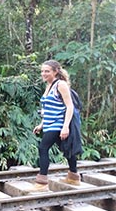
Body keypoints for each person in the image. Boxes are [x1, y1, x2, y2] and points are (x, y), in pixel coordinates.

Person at [31, 60, 81, 191]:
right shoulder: (48, 85)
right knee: (66, 149)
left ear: (55, 71)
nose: (43, 73)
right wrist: (41, 124)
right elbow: (48, 108)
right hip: (48, 124)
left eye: (47, 71)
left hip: (57, 124)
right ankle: (73, 177)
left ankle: (42, 182)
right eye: (42, 71)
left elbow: (69, 106)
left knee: (43, 148)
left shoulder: (61, 84)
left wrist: (65, 127)